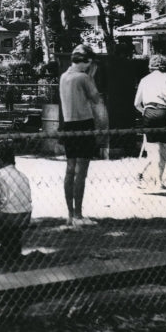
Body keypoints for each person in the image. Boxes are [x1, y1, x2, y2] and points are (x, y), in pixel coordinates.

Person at [58, 44, 103, 228]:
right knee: (81, 172)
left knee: (70, 170)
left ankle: (70, 214)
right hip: (83, 123)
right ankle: (78, 214)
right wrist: (91, 76)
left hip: (68, 124)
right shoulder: (83, 77)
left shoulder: (64, 76)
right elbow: (95, 99)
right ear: (87, 61)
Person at [0, 141, 34, 262]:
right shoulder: (23, 176)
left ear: (0, 161)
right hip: (25, 218)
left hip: (8, 218)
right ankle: (9, 244)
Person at [134, 53, 166, 190]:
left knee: (152, 149)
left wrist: (145, 113)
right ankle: (159, 181)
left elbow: (136, 103)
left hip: (148, 112)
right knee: (163, 149)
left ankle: (153, 179)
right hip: (163, 111)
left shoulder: (144, 79)